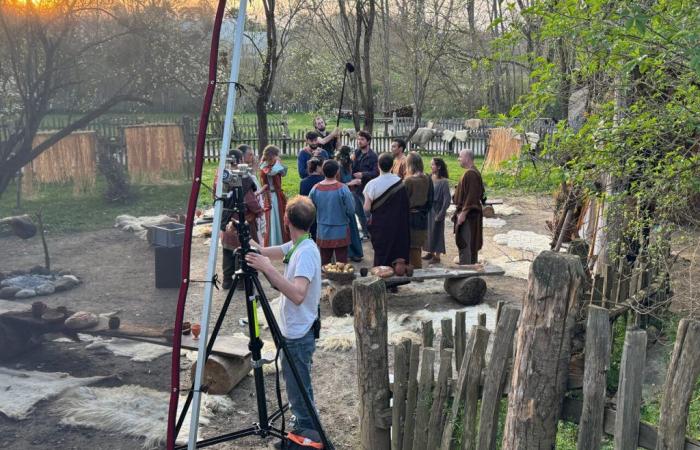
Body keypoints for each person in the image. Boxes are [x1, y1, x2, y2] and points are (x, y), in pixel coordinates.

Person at [245, 196, 321, 435]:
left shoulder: (307, 252)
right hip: (293, 328)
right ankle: (303, 428)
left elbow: (298, 294)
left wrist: (267, 268)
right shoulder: (299, 244)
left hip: (299, 334)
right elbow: (269, 251)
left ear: (286, 220)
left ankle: (307, 434)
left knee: (299, 390)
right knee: (296, 386)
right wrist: (245, 240)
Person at [214, 149, 263, 289]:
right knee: (243, 250)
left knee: (227, 252)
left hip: (225, 221)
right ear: (240, 161)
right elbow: (250, 201)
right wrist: (258, 211)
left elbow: (216, 198)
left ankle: (227, 281)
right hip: (240, 221)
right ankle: (242, 282)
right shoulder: (243, 178)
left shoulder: (220, 177)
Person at [363, 153, 410, 267]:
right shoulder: (400, 182)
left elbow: (367, 208)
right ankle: (395, 280)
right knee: (396, 252)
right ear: (392, 166)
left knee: (382, 254)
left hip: (380, 226)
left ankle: (381, 279)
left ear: (378, 166)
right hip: (398, 225)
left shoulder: (372, 184)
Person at [309, 160, 356, 265]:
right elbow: (351, 210)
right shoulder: (343, 188)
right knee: (341, 263)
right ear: (337, 172)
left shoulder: (315, 189)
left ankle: (324, 281)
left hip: (323, 230)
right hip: (341, 230)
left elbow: (310, 209)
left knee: (324, 262)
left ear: (323, 171)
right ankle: (341, 281)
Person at [452, 149, 485, 265]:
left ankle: (466, 275)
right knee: (469, 245)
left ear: (467, 158)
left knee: (466, 244)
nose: (458, 159)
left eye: (460, 157)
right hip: (468, 215)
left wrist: (463, 214)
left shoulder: (471, 174)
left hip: (468, 217)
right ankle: (470, 274)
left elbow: (472, 197)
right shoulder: (471, 172)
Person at [403, 152, 434, 269]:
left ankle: (416, 275)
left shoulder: (408, 181)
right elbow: (430, 200)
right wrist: (423, 212)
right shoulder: (428, 178)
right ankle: (414, 272)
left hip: (410, 218)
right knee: (416, 247)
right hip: (422, 218)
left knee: (413, 249)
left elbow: (403, 203)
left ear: (409, 164)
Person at [335, 146, 364, 262]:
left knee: (352, 224)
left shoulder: (349, 165)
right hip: (342, 197)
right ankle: (347, 252)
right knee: (346, 224)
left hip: (351, 194)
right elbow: (337, 185)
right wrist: (352, 182)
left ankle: (355, 251)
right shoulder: (338, 167)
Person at [348, 130, 378, 239]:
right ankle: (365, 233)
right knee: (358, 212)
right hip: (355, 188)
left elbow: (375, 173)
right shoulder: (356, 153)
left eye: (362, 139)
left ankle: (372, 234)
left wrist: (363, 175)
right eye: (358, 139)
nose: (359, 141)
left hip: (367, 189)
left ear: (368, 141)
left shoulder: (373, 156)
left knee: (367, 213)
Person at [259, 145, 290, 246]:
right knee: (271, 219)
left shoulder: (274, 165)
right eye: (277, 155)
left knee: (279, 217)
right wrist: (277, 163)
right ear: (272, 155)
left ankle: (281, 241)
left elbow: (284, 172)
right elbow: (272, 173)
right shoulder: (263, 165)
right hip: (269, 196)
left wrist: (278, 163)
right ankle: (272, 243)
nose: (278, 157)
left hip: (277, 195)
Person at [423, 158, 451, 264]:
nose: (431, 166)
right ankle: (430, 252)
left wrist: (442, 212)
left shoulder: (443, 181)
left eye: (433, 165)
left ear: (439, 166)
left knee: (437, 232)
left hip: (438, 209)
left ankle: (437, 256)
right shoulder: (429, 177)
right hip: (429, 208)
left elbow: (447, 199)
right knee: (428, 232)